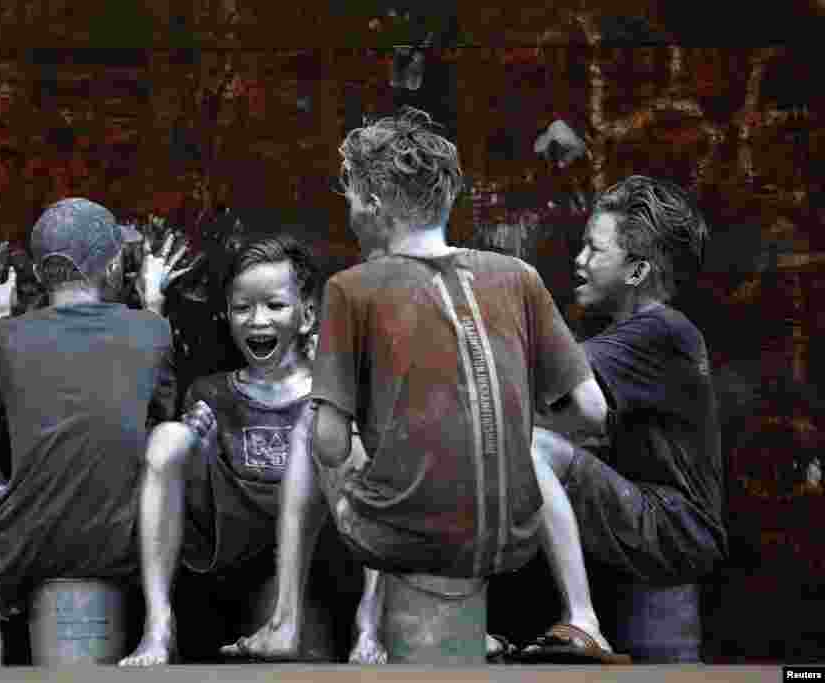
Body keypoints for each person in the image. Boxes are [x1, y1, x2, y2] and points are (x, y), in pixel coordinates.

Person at [230, 106, 631, 664]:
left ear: (372, 202)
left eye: (350, 194)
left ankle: (291, 623)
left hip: (400, 535)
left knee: (311, 425)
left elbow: (328, 444)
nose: (348, 207)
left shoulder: (351, 289)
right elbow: (591, 413)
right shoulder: (519, 276)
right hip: (510, 537)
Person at [0, 197, 193, 667]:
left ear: (37, 271)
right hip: (125, 536)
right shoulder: (152, 330)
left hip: (26, 539)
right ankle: (157, 627)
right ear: (113, 265)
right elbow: (160, 414)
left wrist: (2, 316)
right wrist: (153, 301)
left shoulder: (1, 336)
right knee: (168, 438)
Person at [520, 176, 727, 658]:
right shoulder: (639, 336)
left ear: (637, 271)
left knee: (529, 447)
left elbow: (546, 377)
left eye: (594, 249)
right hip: (655, 527)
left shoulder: (658, 330)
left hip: (670, 526)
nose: (580, 260)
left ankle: (581, 618)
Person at [119, 234, 333, 666]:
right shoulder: (211, 393)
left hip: (323, 556)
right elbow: (190, 482)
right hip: (226, 552)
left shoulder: (329, 392)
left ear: (307, 315)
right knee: (168, 437)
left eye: (274, 306)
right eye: (242, 308)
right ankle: (159, 626)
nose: (257, 321)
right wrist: (202, 451)